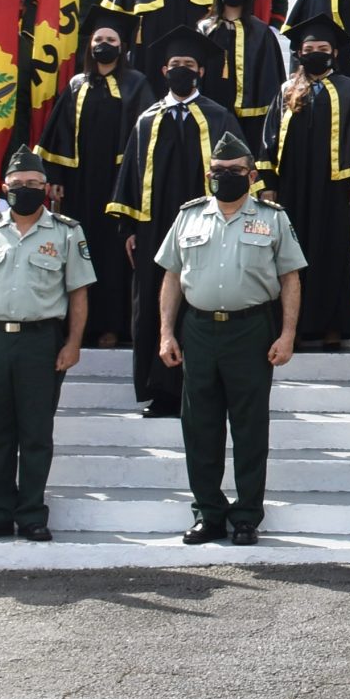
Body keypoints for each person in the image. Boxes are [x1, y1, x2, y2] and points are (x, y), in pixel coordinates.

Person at [154, 132, 301, 546]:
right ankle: (208, 513)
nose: (225, 176)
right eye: (218, 171)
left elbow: (290, 278)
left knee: (250, 427)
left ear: (252, 176)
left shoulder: (273, 218)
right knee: (200, 426)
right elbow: (172, 277)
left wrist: (288, 334)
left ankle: (247, 515)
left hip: (251, 330)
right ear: (208, 175)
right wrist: (166, 332)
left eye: (234, 171)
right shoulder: (189, 216)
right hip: (199, 329)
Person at [0, 146, 94, 541]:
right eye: (18, 183)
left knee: (35, 431)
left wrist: (73, 343)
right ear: (5, 187)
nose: (25, 189)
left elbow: (79, 292)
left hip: (41, 341)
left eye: (33, 183)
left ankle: (31, 514)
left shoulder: (66, 231)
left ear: (46, 188)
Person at [107, 25, 241, 419]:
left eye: (189, 64)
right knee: (154, 305)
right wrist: (129, 229)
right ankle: (161, 392)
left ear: (201, 71)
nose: (182, 69)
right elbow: (130, 178)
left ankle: (201, 390)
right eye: (175, 64)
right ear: (164, 70)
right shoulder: (147, 120)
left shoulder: (218, 117)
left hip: (208, 228)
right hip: (155, 230)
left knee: (200, 303)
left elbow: (239, 175)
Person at [260, 15, 350, 351]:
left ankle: (332, 326)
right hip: (293, 185)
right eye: (309, 49)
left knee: (333, 251)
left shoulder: (348, 88)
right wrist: (268, 182)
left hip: (333, 187)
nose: (316, 54)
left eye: (323, 48)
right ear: (299, 53)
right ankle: (292, 326)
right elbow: (269, 137)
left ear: (334, 53)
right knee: (292, 253)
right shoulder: (286, 90)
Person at [38, 24, 154, 347]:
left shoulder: (137, 83)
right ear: (89, 46)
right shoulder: (77, 84)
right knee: (80, 249)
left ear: (122, 46)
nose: (104, 44)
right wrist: (56, 176)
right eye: (99, 40)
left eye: (111, 39)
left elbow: (146, 133)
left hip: (119, 182)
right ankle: (78, 325)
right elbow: (58, 132)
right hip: (81, 184)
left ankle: (111, 325)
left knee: (113, 254)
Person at [198, 0, 287, 157]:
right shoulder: (205, 29)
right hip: (210, 112)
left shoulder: (261, 32)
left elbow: (271, 79)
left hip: (250, 119)